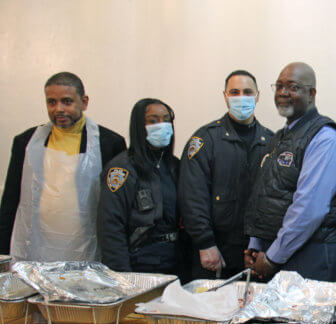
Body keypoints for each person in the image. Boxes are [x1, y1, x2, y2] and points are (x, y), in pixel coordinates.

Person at [244, 62, 336, 282]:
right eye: (279, 86)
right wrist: (255, 245)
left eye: (293, 87)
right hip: (279, 253)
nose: (284, 93)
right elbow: (263, 194)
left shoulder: (325, 138)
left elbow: (309, 209)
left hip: (311, 256)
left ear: (311, 94)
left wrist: (273, 257)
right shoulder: (279, 138)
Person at [0, 72, 126, 261]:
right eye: (51, 102)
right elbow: (11, 199)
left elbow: (117, 206)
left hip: (87, 248)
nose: (58, 109)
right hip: (36, 247)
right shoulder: (25, 142)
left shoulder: (110, 143)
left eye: (67, 102)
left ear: (84, 102)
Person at [179, 70, 273, 279]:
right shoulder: (205, 140)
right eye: (235, 92)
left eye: (247, 92)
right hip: (215, 252)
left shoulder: (272, 142)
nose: (241, 97)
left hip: (256, 253)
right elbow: (192, 197)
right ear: (225, 97)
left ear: (258, 96)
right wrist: (205, 243)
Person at [98, 98, 189, 278]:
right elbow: (111, 228)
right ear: (139, 125)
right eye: (153, 121)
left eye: (166, 120)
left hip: (175, 262)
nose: (161, 125)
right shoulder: (121, 169)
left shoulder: (176, 166)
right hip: (139, 264)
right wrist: (123, 277)